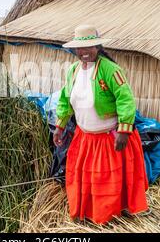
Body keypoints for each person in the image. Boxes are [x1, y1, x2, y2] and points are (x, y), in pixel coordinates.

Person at [53, 25, 149, 224]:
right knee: (86, 179)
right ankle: (88, 212)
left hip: (109, 138)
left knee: (107, 181)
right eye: (80, 48)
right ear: (75, 50)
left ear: (97, 47)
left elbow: (125, 99)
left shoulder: (110, 70)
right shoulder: (73, 71)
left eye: (89, 47)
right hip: (85, 138)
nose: (84, 52)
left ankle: (110, 214)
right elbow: (64, 99)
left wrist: (124, 130)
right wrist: (60, 126)